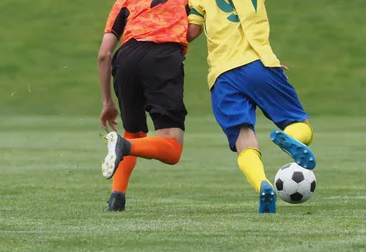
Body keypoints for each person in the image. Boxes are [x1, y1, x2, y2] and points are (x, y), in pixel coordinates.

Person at [186, 0, 316, 213]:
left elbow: (190, 32)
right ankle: (292, 139)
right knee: (299, 123)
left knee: (243, 137)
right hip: (259, 64)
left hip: (222, 75)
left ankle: (263, 184)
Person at [98, 0, 190, 212]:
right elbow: (192, 30)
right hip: (163, 57)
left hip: (126, 59)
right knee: (172, 148)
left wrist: (107, 102)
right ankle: (123, 146)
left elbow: (104, 54)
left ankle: (117, 197)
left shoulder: (124, 1)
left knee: (134, 132)